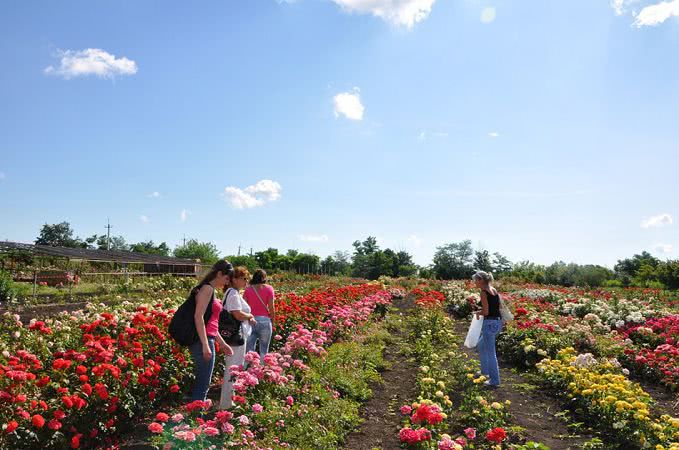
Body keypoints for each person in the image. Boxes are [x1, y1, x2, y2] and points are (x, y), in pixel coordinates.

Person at [189, 260, 234, 402]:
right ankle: (196, 417)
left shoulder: (210, 290)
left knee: (203, 380)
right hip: (202, 340)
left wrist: (222, 343)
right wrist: (205, 345)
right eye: (226, 278)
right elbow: (198, 316)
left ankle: (195, 416)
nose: (227, 283)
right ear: (219, 274)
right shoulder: (207, 289)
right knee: (203, 382)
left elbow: (211, 323)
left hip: (207, 338)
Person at [219, 266, 256, 409]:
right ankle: (226, 404)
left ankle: (228, 401)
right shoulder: (233, 294)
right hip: (236, 336)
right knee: (233, 368)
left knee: (233, 367)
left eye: (247, 278)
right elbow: (237, 314)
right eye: (243, 278)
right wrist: (250, 316)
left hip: (236, 335)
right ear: (234, 279)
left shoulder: (233, 293)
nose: (246, 281)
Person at [473, 270, 502, 388]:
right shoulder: (493, 290)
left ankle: (494, 380)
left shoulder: (484, 292)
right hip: (496, 322)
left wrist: (477, 312)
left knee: (491, 352)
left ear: (480, 280)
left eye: (476, 280)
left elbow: (486, 312)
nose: (475, 282)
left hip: (489, 323)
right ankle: (485, 372)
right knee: (481, 346)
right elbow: (498, 307)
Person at [243, 269, 276, 360]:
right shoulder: (269, 288)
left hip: (251, 320)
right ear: (264, 278)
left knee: (249, 351)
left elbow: (244, 307)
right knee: (264, 350)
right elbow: (271, 307)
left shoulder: (248, 290)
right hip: (265, 321)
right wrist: (272, 321)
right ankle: (263, 372)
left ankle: (249, 371)